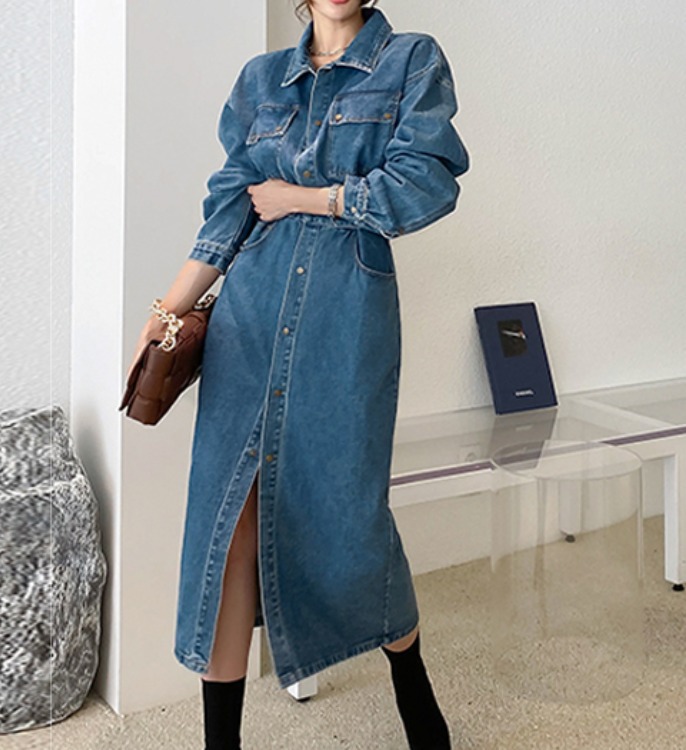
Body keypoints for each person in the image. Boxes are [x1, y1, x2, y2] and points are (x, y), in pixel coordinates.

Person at [125, 1, 469, 747]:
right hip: (249, 319)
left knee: (350, 515)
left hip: (346, 318)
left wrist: (307, 199)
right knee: (228, 525)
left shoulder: (411, 59)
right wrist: (166, 311)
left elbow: (425, 183)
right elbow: (229, 208)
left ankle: (414, 692)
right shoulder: (261, 80)